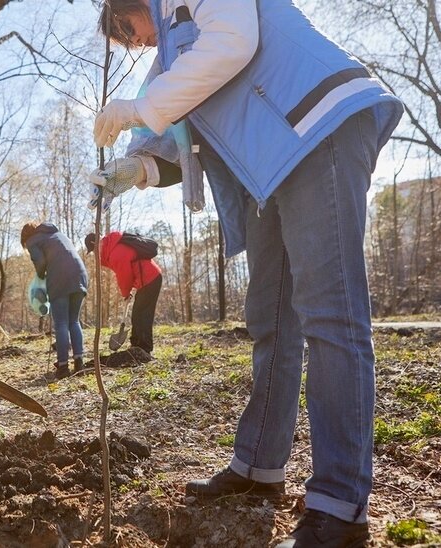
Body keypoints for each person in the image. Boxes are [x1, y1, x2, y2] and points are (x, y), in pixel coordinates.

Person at [93, 1, 404, 546]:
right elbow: (191, 117)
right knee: (270, 318)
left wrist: (138, 109)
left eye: (129, 34)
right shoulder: (170, 40)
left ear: (128, 7)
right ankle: (260, 468)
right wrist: (141, 165)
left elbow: (231, 45)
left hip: (315, 126)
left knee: (331, 315)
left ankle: (340, 506)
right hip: (270, 164)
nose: (137, 46)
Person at [21, 222, 89, 379]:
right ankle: (79, 363)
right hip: (80, 275)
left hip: (60, 278)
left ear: (25, 237)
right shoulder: (59, 234)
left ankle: (63, 367)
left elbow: (41, 262)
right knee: (74, 321)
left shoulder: (33, 241)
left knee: (61, 323)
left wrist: (40, 278)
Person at [84, 232, 162, 358]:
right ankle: (137, 344)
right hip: (146, 279)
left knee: (143, 314)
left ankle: (144, 347)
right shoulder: (112, 247)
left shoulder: (115, 252)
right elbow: (130, 270)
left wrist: (126, 292)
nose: (95, 254)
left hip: (150, 278)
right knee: (137, 313)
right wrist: (129, 289)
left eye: (93, 250)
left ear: (96, 244)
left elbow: (124, 275)